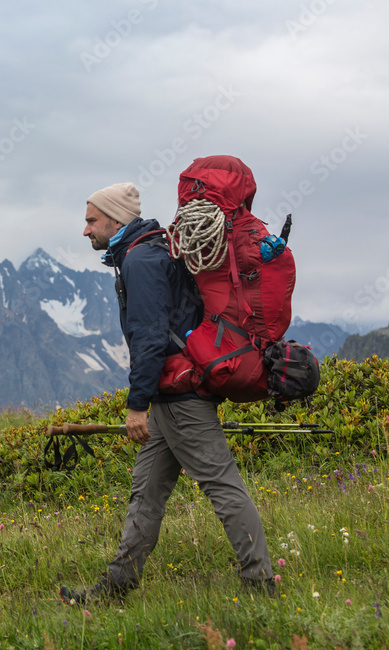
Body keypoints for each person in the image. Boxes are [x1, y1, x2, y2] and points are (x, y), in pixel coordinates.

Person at [59, 182, 275, 606]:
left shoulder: (140, 260)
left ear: (115, 219)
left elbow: (151, 337)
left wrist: (136, 404)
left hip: (179, 396)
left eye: (91, 221)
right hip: (173, 394)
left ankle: (261, 584)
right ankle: (116, 586)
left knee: (221, 484)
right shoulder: (149, 249)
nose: (85, 231)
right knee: (147, 492)